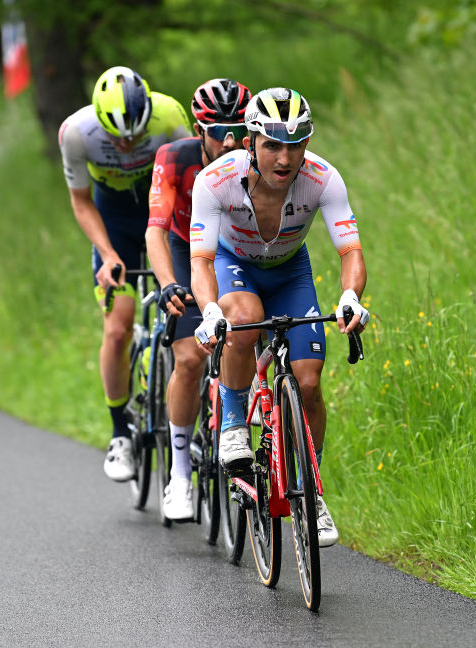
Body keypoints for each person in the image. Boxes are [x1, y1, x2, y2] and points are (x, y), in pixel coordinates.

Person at [189, 87, 370, 547]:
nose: (285, 158)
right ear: (250, 142)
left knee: (308, 382)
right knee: (244, 318)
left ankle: (309, 492)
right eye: (272, 144)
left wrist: (349, 295)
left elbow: (350, 250)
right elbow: (202, 262)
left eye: (295, 144)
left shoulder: (323, 178)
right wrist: (210, 311)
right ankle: (233, 421)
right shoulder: (215, 180)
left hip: (291, 271)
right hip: (234, 264)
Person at [58, 66, 191, 481]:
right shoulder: (75, 133)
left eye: (134, 134)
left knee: (186, 312)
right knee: (117, 329)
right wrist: (107, 252)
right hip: (113, 217)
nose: (127, 143)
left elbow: (190, 182)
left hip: (161, 212)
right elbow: (81, 202)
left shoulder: (169, 116)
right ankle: (119, 434)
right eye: (117, 137)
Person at [145, 78, 252, 520]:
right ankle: (180, 473)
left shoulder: (258, 159)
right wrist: (169, 283)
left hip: (229, 249)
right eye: (216, 133)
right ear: (197, 129)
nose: (229, 143)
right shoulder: (173, 158)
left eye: (238, 130)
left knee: (248, 331)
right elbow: (155, 228)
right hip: (183, 245)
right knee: (189, 358)